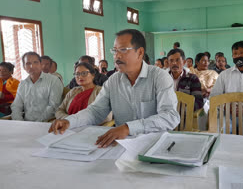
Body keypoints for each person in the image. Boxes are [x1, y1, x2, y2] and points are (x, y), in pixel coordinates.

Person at [49, 29, 180, 148]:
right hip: (123, 145)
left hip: (155, 145)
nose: (117, 56)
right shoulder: (113, 80)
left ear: (140, 53)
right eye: (114, 51)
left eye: (123, 50)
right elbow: (95, 111)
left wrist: (129, 128)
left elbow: (170, 116)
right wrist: (69, 121)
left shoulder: (159, 77)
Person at [11, 52, 63, 122]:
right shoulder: (22, 84)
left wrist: (36, 123)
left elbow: (53, 107)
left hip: (47, 123)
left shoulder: (53, 80)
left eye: (35, 62)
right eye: (28, 63)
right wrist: (20, 122)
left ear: (41, 64)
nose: (32, 66)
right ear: (24, 67)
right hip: (26, 124)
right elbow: (16, 106)